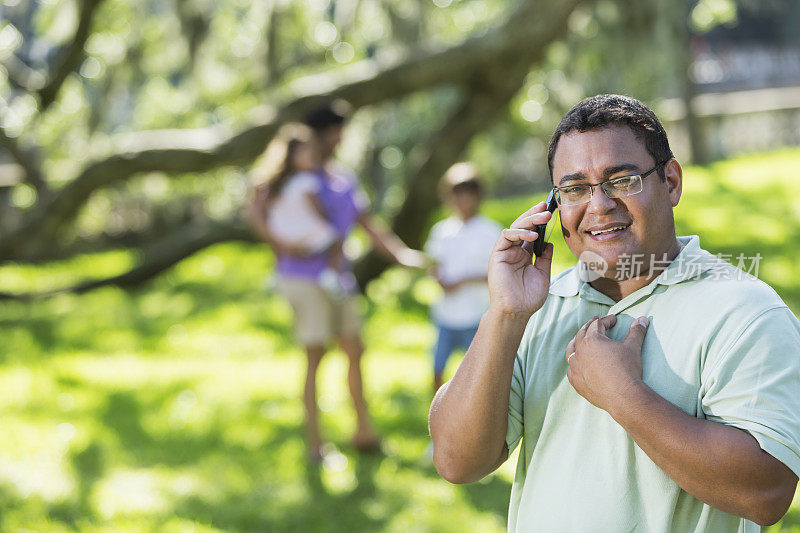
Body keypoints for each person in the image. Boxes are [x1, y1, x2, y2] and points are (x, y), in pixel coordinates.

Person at [429, 94, 800, 531]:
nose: (599, 204)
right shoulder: (538, 307)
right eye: (574, 189)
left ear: (672, 182)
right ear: (555, 209)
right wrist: (505, 314)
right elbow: (457, 460)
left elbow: (767, 493)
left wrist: (623, 396)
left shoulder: (746, 312)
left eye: (622, 180)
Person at [249, 101, 427, 463]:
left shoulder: (341, 178)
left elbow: (367, 224)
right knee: (316, 357)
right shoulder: (292, 176)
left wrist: (402, 256)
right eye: (333, 130)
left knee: (355, 351)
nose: (340, 137)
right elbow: (255, 209)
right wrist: (282, 245)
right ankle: (315, 445)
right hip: (303, 280)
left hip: (338, 279)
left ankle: (363, 431)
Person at [425, 163, 501, 394]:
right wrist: (438, 278)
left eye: (467, 194)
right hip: (446, 315)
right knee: (437, 367)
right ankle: (437, 411)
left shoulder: (491, 232)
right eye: (456, 194)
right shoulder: (442, 231)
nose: (462, 200)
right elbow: (434, 263)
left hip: (476, 315)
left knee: (479, 371)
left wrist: (463, 280)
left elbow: (497, 272)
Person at [249, 123, 346, 296]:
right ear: (292, 155)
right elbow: (315, 207)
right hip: (303, 228)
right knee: (335, 240)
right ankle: (330, 274)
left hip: (283, 228)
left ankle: (277, 272)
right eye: (308, 154)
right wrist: (325, 220)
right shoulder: (307, 181)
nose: (313, 158)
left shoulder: (274, 184)